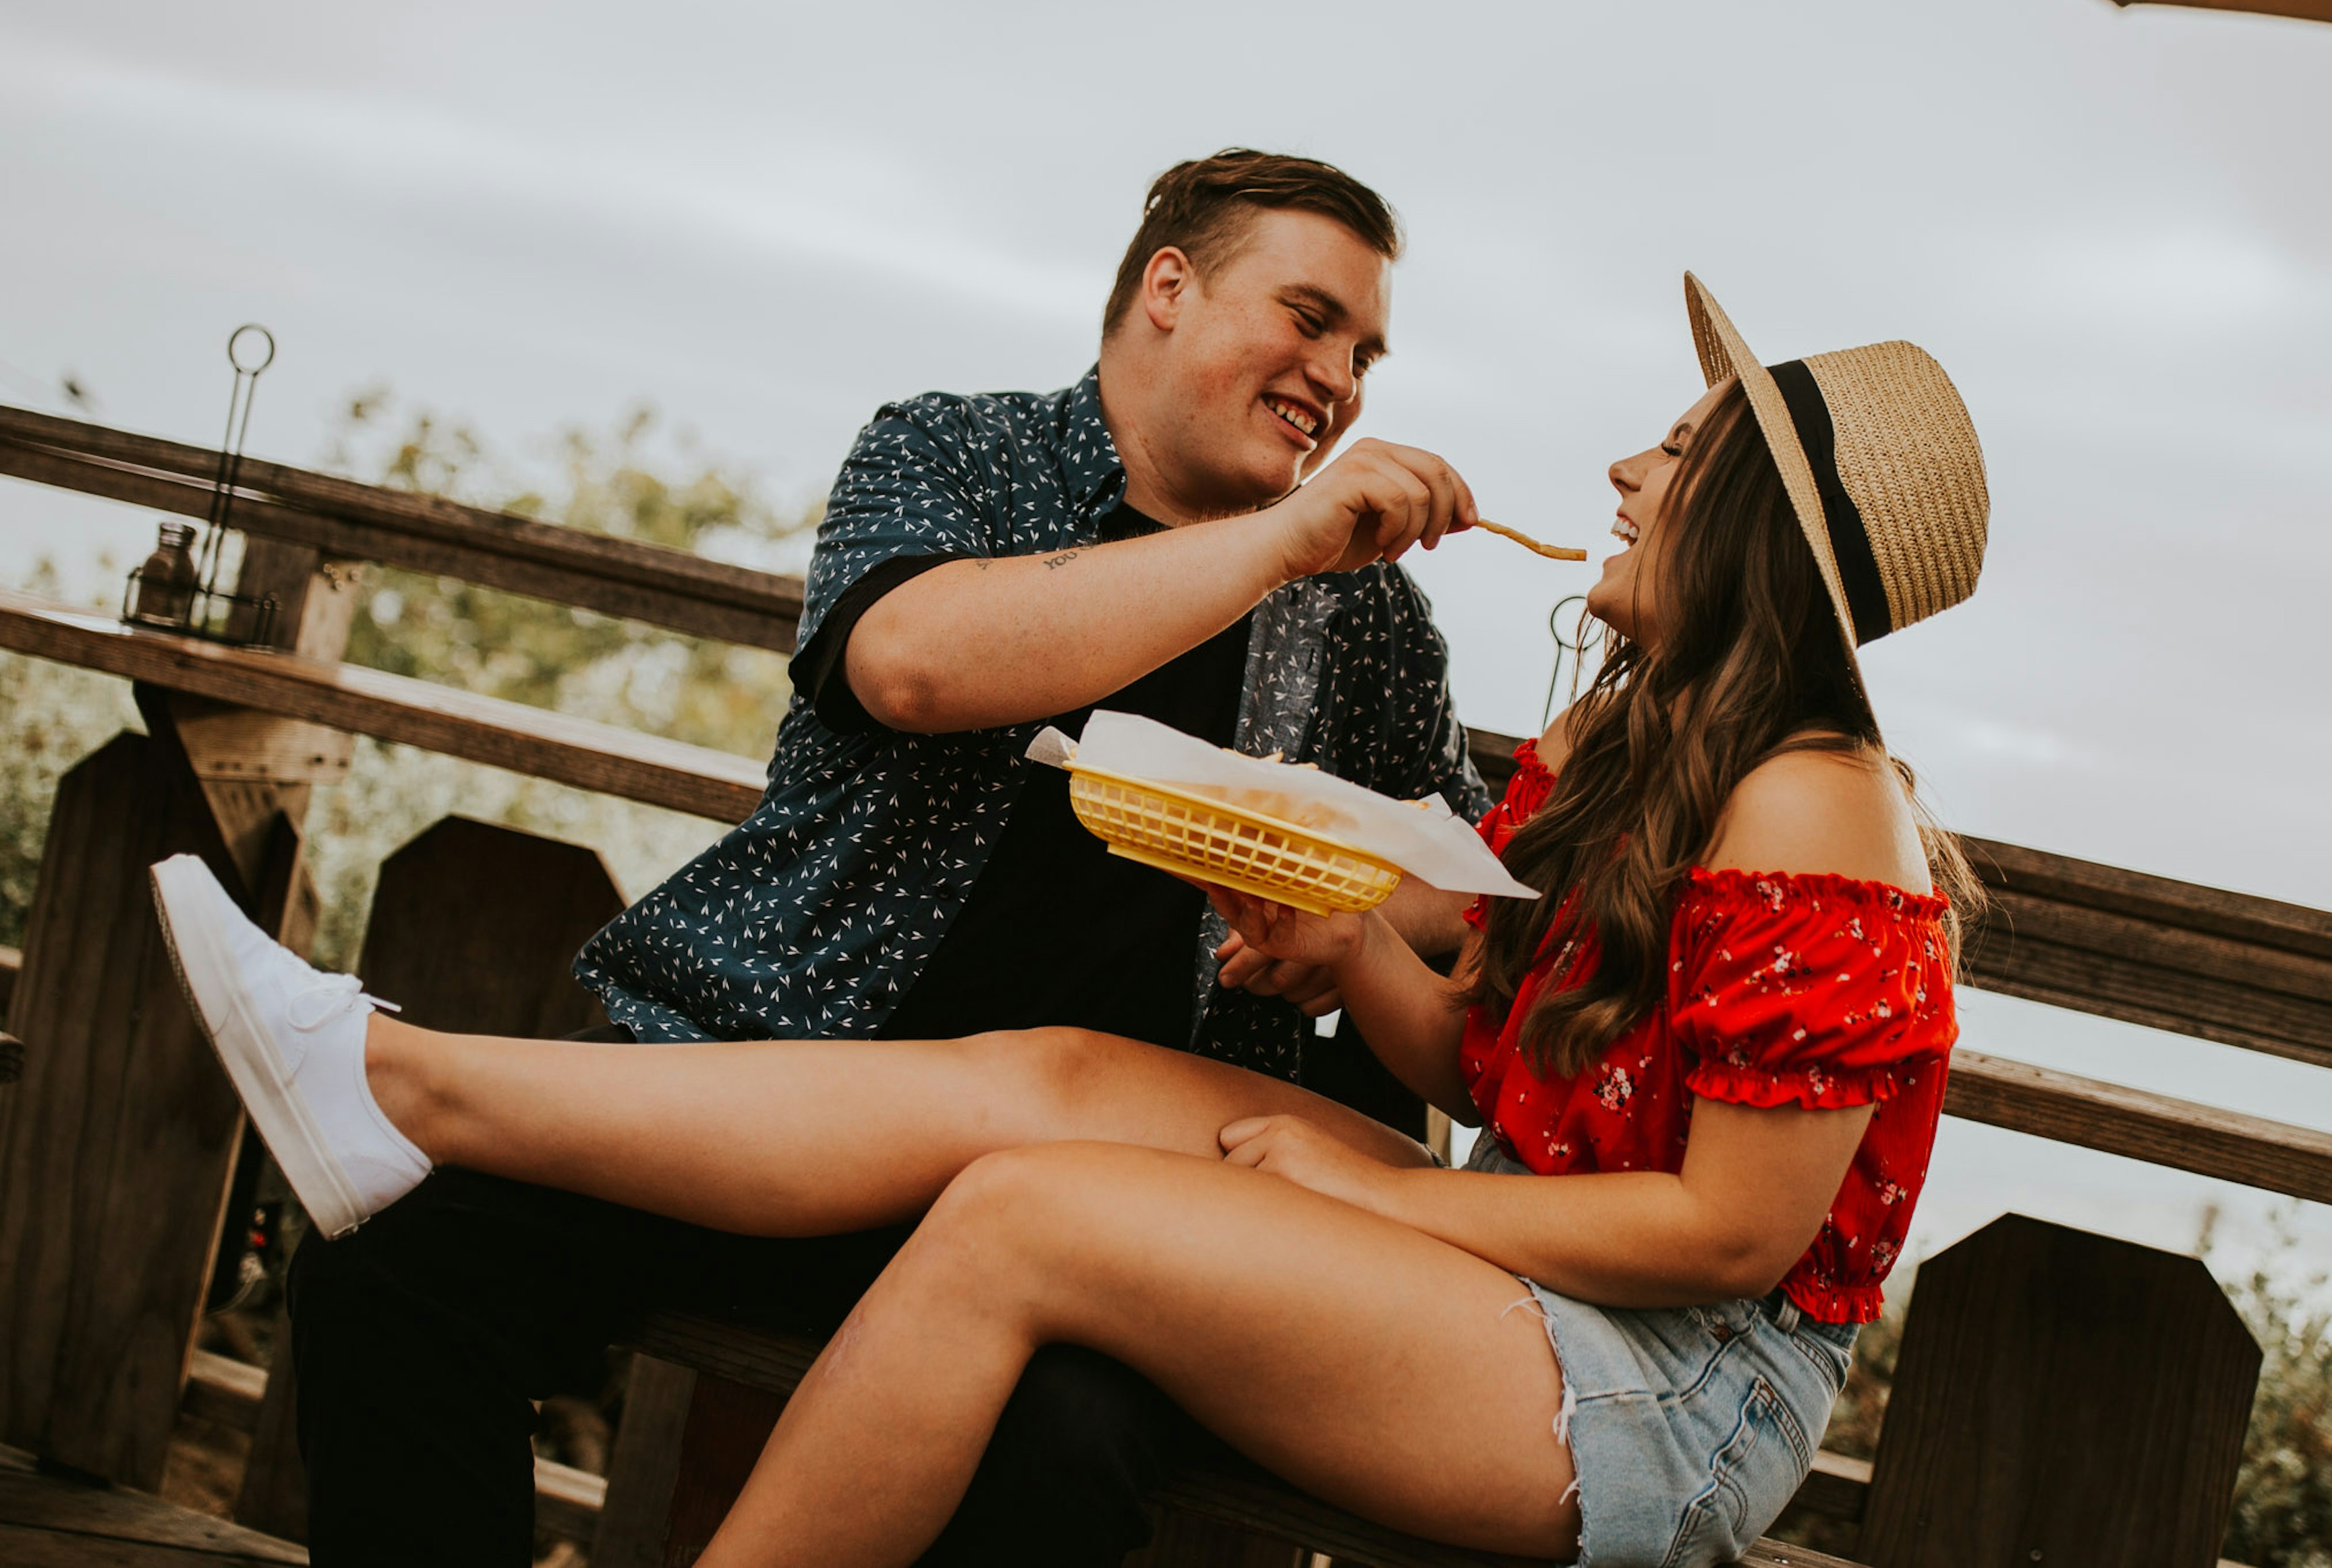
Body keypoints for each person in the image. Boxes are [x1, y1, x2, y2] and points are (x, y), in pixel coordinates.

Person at [164, 274, 1990, 1566]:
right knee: (1049, 1076)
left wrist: (1376, 1187)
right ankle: (396, 1079)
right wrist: (1350, 951)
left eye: (1677, 453)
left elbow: (1733, 1233)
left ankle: (393, 1085)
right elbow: (1510, 1070)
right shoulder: (1630, 744)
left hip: (1668, 1385)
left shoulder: (1821, 803)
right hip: (1528, 1252)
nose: (1626, 473)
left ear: (1753, 518)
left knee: (1024, 1218)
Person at [278, 148, 1498, 1567]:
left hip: (1109, 1209)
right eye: (1308, 316)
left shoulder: (1373, 621)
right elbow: (906, 664)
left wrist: (1342, 907)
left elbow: (1460, 907)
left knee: (1063, 1457)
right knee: (392, 1260)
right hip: (776, 1107)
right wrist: (1273, 543)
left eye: (1365, 351)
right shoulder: (954, 451)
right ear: (1170, 286)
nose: (1339, 378)